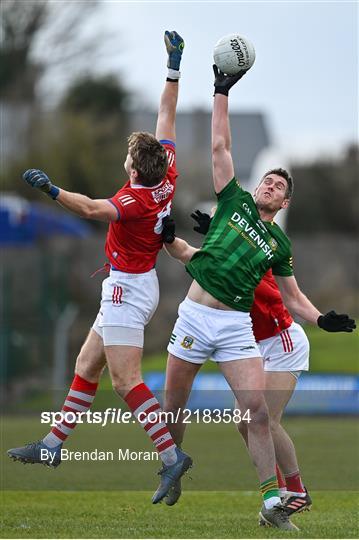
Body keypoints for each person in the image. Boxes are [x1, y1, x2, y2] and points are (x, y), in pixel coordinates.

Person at [158, 65, 355, 530]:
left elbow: (291, 295)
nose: (271, 184)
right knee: (174, 407)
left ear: (284, 203)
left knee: (257, 414)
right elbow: (220, 146)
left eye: (280, 186)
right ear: (254, 187)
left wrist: (320, 318)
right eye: (267, 180)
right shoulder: (234, 203)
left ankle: (277, 499)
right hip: (194, 319)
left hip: (238, 328)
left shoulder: (278, 246)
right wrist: (221, 91)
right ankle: (171, 465)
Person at [7, 31, 192, 505]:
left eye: (128, 157)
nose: (127, 158)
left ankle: (172, 458)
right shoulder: (165, 169)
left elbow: (91, 210)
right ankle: (52, 446)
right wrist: (173, 66)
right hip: (129, 282)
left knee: (125, 380)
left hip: (128, 289)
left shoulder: (131, 201)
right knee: (86, 364)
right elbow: (166, 113)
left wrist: (50, 190)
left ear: (133, 170)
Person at [190, 211, 313, 517]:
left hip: (282, 340)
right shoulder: (227, 253)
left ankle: (296, 491)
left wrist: (321, 319)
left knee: (266, 419)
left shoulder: (259, 255)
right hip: (254, 343)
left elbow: (292, 296)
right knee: (244, 422)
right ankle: (284, 490)